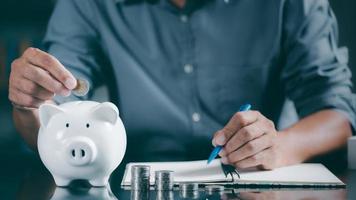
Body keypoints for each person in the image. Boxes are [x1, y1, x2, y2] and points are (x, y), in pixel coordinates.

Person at [9, 0, 356, 170]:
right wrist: (30, 105)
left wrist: (280, 146)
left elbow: (339, 111)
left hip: (257, 182)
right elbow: (55, 116)